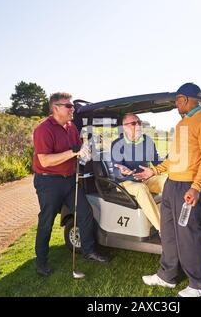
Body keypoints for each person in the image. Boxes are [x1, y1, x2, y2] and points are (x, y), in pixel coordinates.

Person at [134, 83, 201, 297]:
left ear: (189, 99)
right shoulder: (182, 124)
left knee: (187, 234)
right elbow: (174, 158)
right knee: (168, 233)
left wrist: (197, 187)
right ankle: (167, 276)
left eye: (178, 99)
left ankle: (199, 285)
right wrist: (154, 171)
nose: (176, 103)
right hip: (172, 184)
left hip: (189, 187)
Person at [32, 92, 109, 277]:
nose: (72, 109)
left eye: (72, 105)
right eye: (68, 106)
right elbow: (45, 161)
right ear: (56, 108)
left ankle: (89, 251)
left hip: (69, 179)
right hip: (48, 181)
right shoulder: (43, 129)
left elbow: (79, 150)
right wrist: (72, 152)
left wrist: (87, 150)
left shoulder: (72, 127)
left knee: (85, 213)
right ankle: (41, 262)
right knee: (46, 221)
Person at [110, 113, 167, 233]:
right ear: (124, 126)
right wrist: (124, 172)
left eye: (139, 122)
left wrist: (168, 160)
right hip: (126, 182)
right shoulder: (117, 144)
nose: (138, 125)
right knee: (141, 188)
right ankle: (162, 230)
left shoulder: (147, 140)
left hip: (146, 178)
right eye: (134, 123)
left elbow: (157, 161)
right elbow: (116, 171)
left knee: (168, 182)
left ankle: (177, 221)